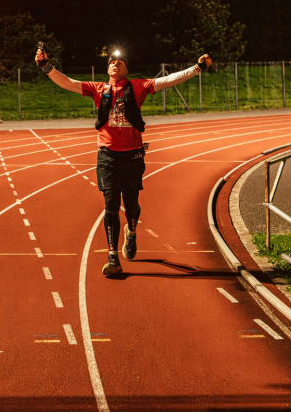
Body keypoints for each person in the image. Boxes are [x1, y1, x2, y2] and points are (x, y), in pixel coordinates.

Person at [34, 47, 213, 278]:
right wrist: (45, 66)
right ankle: (113, 258)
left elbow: (169, 80)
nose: (115, 62)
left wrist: (197, 68)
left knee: (131, 206)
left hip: (132, 156)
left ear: (127, 68)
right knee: (110, 206)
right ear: (107, 67)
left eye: (120, 61)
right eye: (111, 60)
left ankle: (132, 230)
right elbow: (68, 83)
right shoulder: (99, 89)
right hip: (107, 155)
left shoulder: (138, 86)